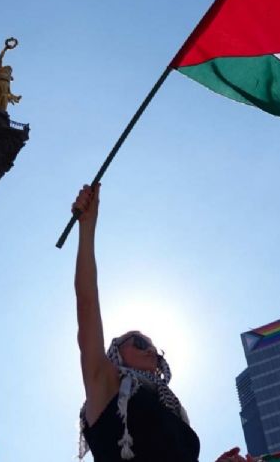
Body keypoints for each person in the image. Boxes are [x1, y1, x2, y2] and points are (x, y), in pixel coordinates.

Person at [72, 184, 199, 461]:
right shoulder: (105, 383)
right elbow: (87, 304)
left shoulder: (173, 409)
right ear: (115, 353)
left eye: (155, 349)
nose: (151, 351)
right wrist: (87, 226)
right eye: (140, 343)